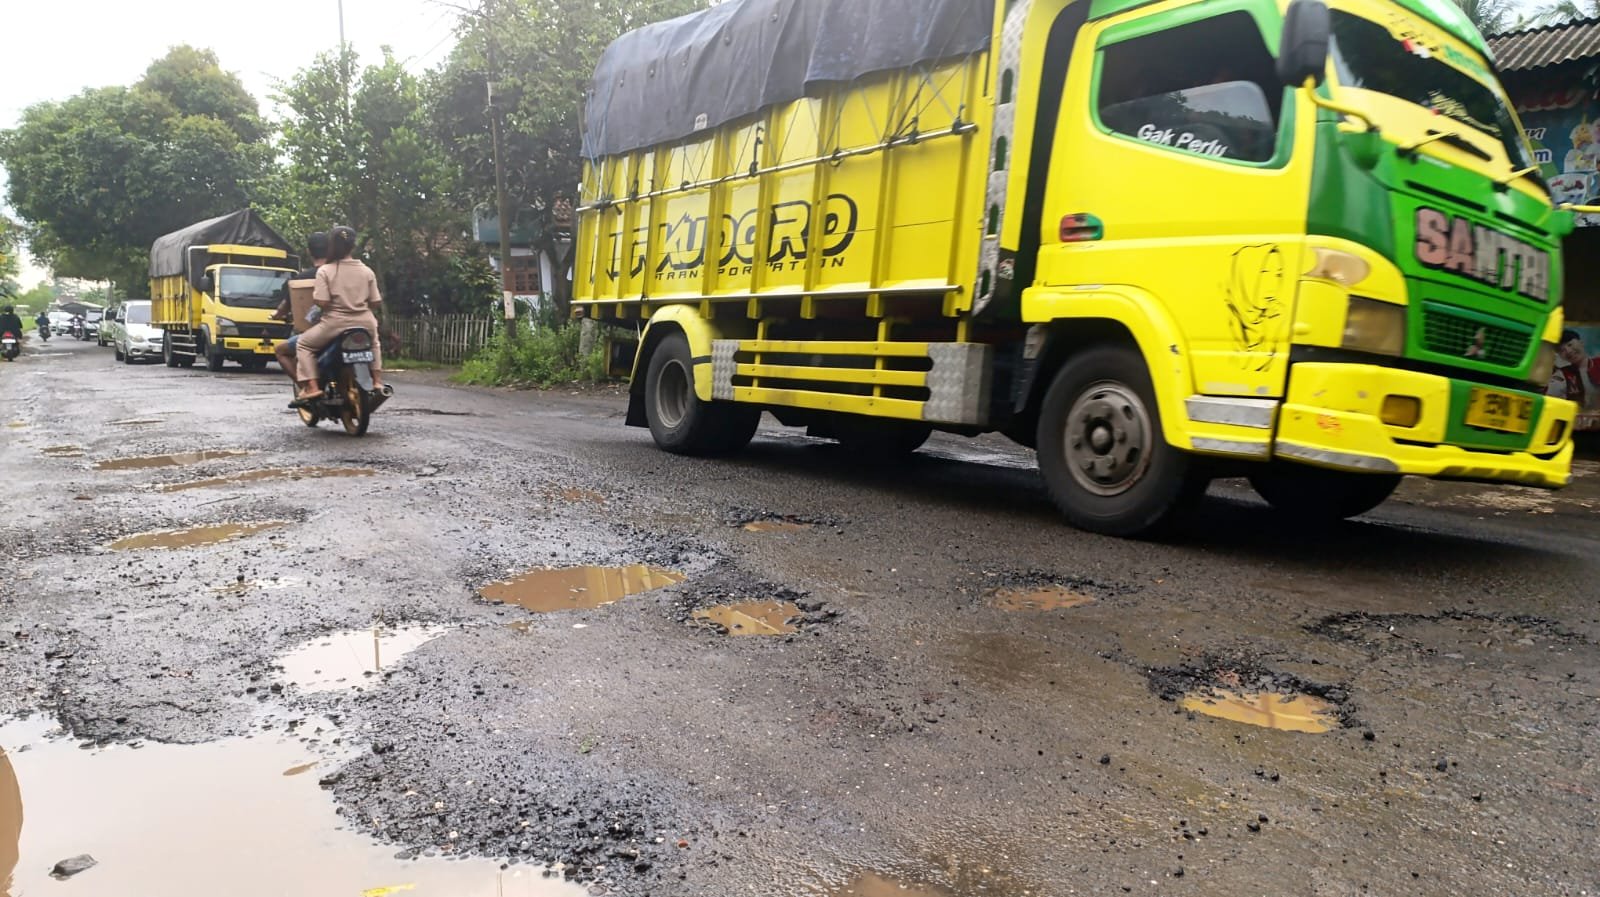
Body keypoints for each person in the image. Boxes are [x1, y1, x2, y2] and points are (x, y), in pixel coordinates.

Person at [293, 226, 384, 405]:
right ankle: (377, 381)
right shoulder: (367, 271)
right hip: (365, 322)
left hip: (334, 323)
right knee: (374, 343)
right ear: (353, 246)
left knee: (303, 344)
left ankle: (312, 387)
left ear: (331, 246)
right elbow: (375, 302)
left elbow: (322, 302)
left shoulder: (326, 271)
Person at [271, 232, 331, 384]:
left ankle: (306, 387)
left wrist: (276, 315)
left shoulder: (300, 280)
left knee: (280, 350)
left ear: (309, 252)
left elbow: (284, 308)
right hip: (350, 327)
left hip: (318, 332)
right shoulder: (339, 275)